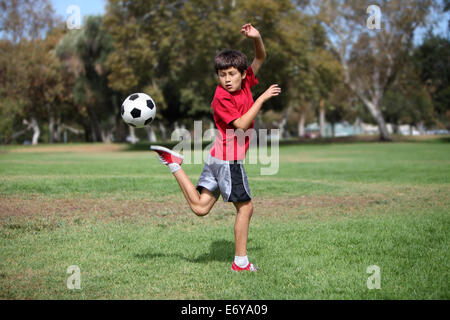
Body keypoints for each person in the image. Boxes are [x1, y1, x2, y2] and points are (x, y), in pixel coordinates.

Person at [150, 23, 281, 272]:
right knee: (247, 207)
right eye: (222, 75)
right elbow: (241, 125)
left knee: (200, 208)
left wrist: (257, 37)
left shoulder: (246, 81)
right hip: (228, 161)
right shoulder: (221, 97)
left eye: (231, 74)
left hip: (216, 157)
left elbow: (261, 56)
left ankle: (174, 164)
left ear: (243, 74)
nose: (227, 79)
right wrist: (262, 98)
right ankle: (240, 263)